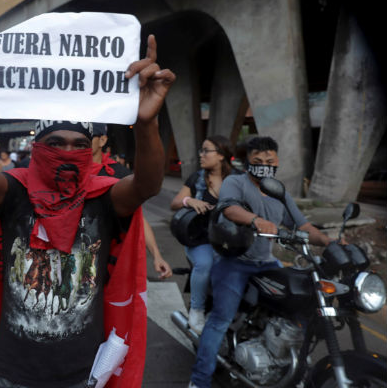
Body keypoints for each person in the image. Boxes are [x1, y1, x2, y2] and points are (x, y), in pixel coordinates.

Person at [0, 33, 175, 388]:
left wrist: (146, 123)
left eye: (79, 145)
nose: (67, 152)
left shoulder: (103, 198)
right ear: (37, 147)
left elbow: (147, 185)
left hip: (81, 371)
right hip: (15, 371)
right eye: (55, 143)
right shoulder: (14, 190)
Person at [188, 136, 337, 388]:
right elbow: (229, 208)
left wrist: (329, 241)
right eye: (257, 160)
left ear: (277, 161)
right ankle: (199, 380)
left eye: (269, 160)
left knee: (296, 305)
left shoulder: (278, 191)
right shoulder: (236, 182)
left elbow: (303, 225)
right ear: (248, 162)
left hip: (266, 262)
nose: (264, 165)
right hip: (234, 261)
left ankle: (291, 367)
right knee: (220, 320)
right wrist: (255, 220)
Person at [169, 135, 238, 333]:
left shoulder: (238, 179)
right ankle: (197, 310)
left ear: (221, 155)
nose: (202, 155)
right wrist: (189, 201)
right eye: (202, 150)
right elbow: (175, 203)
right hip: (200, 239)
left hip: (228, 239)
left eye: (206, 151)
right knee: (205, 264)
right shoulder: (197, 178)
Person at [91, 122, 172, 280]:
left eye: (89, 137)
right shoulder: (69, 172)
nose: (82, 142)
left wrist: (157, 255)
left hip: (111, 259)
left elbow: (138, 218)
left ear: (102, 140)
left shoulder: (119, 174)